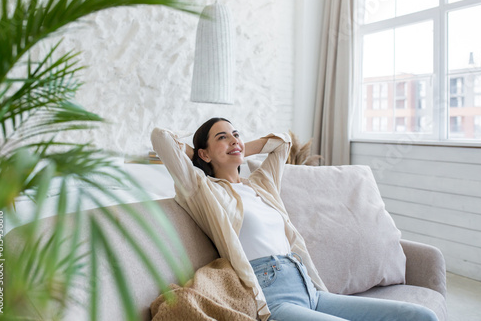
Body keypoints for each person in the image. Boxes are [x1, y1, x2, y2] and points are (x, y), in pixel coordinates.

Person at [151, 117, 439, 321]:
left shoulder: (261, 184)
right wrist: (201, 158)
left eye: (235, 133)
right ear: (203, 151)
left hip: (309, 288)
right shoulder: (204, 191)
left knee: (420, 315)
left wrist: (235, 147)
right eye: (221, 136)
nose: (234, 140)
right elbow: (161, 138)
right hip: (273, 298)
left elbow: (282, 143)